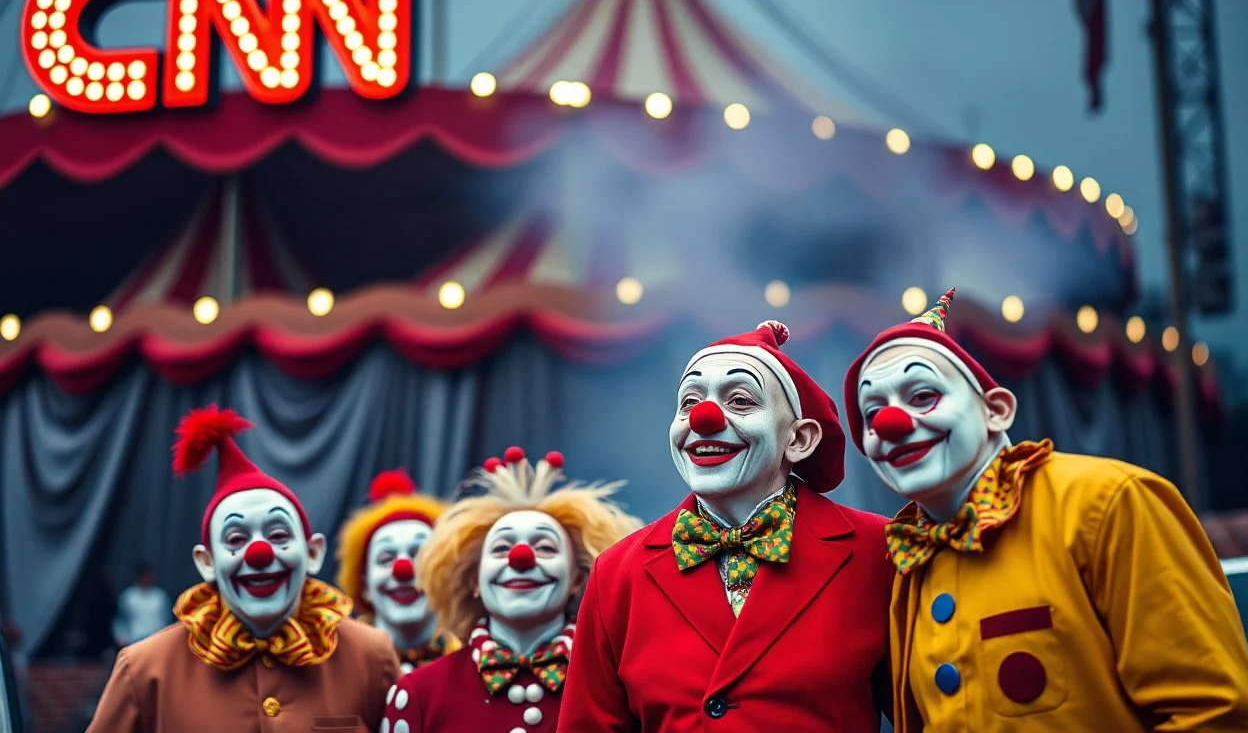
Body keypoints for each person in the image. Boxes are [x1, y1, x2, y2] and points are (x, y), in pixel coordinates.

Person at [844, 288, 1248, 731]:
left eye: (922, 396)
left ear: (996, 410)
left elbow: (1212, 712)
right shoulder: (908, 558)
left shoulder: (1106, 501)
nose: (890, 423)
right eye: (872, 412)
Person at [558, 320, 894, 731]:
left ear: (799, 439)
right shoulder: (616, 573)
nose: (703, 418)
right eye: (688, 403)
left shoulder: (876, 550)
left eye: (739, 400)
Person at [87, 405, 400, 733]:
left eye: (278, 535)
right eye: (235, 539)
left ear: (312, 553)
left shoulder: (371, 657)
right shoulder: (144, 670)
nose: (259, 553)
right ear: (206, 562)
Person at [383, 447, 641, 732]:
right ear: (474, 581)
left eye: (544, 547)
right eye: (501, 548)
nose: (520, 558)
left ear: (578, 580)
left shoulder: (622, 686)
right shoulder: (418, 694)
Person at [335, 468, 457, 674]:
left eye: (419, 554)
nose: (403, 570)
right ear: (365, 586)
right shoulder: (339, 667)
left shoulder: (474, 660)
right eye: (386, 558)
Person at [111, 563, 172, 648]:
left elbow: (167, 620)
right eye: (145, 576)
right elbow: (120, 619)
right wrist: (120, 637)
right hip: (134, 640)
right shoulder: (128, 596)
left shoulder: (160, 597)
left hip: (155, 640)